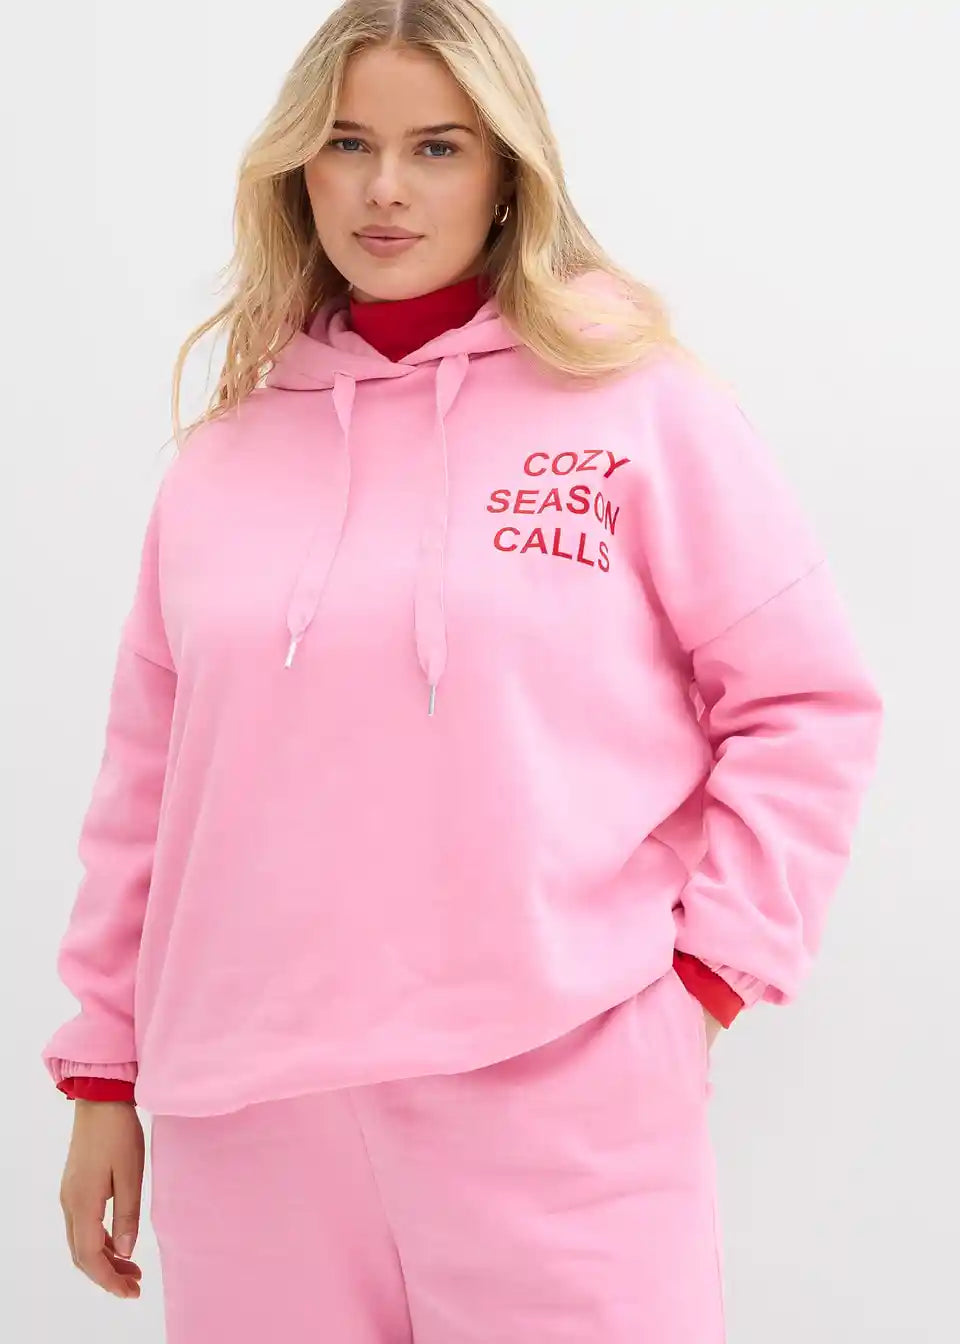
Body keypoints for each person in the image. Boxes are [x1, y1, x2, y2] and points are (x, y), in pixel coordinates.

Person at [42, 1, 884, 1340]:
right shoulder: (222, 459)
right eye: (348, 144)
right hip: (248, 1125)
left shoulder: (636, 403)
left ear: (505, 172)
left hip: (558, 1102)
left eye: (436, 146)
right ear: (297, 169)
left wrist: (707, 985)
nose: (385, 188)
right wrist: (103, 1073)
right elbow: (147, 788)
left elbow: (805, 704)